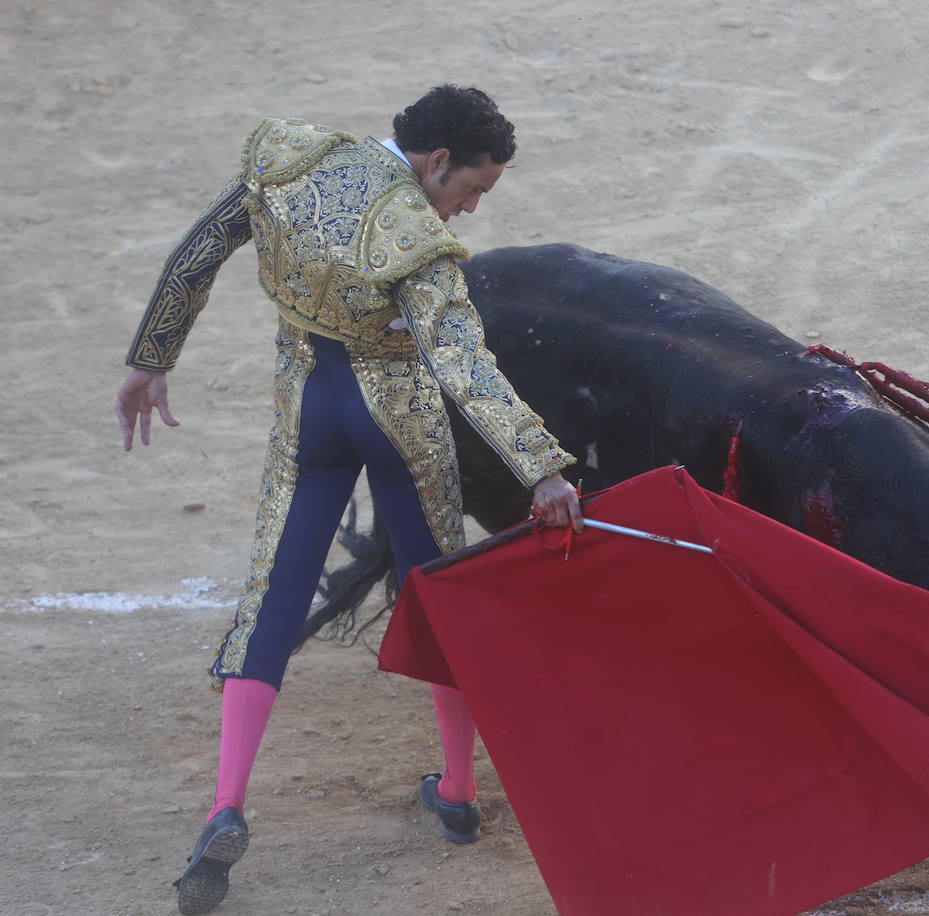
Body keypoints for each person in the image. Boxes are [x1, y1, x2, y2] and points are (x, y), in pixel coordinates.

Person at [114, 85, 584, 916]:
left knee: (272, 591)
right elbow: (462, 365)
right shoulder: (417, 235)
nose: (469, 209)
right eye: (472, 188)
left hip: (310, 402)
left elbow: (200, 251)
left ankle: (226, 804)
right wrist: (541, 466)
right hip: (397, 416)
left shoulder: (294, 158)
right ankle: (461, 790)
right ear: (437, 162)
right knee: (439, 592)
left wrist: (152, 356)